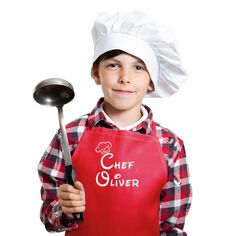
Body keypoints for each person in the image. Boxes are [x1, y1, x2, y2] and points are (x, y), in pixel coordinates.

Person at [38, 11, 192, 236]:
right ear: (96, 72)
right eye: (113, 65)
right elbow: (48, 216)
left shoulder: (170, 144)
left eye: (138, 67)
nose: (125, 77)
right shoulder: (69, 135)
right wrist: (65, 210)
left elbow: (172, 226)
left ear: (152, 81)